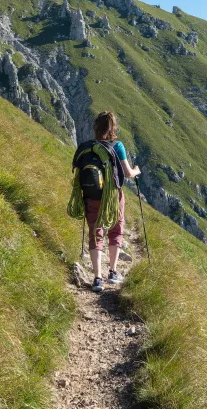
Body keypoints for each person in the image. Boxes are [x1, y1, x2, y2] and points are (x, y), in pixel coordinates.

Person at [83, 111, 140, 292]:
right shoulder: (117, 145)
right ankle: (113, 272)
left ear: (96, 127)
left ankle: (97, 278)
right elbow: (128, 173)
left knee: (95, 232)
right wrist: (136, 171)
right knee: (116, 230)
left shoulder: (88, 147)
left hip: (91, 195)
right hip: (113, 196)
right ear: (113, 127)